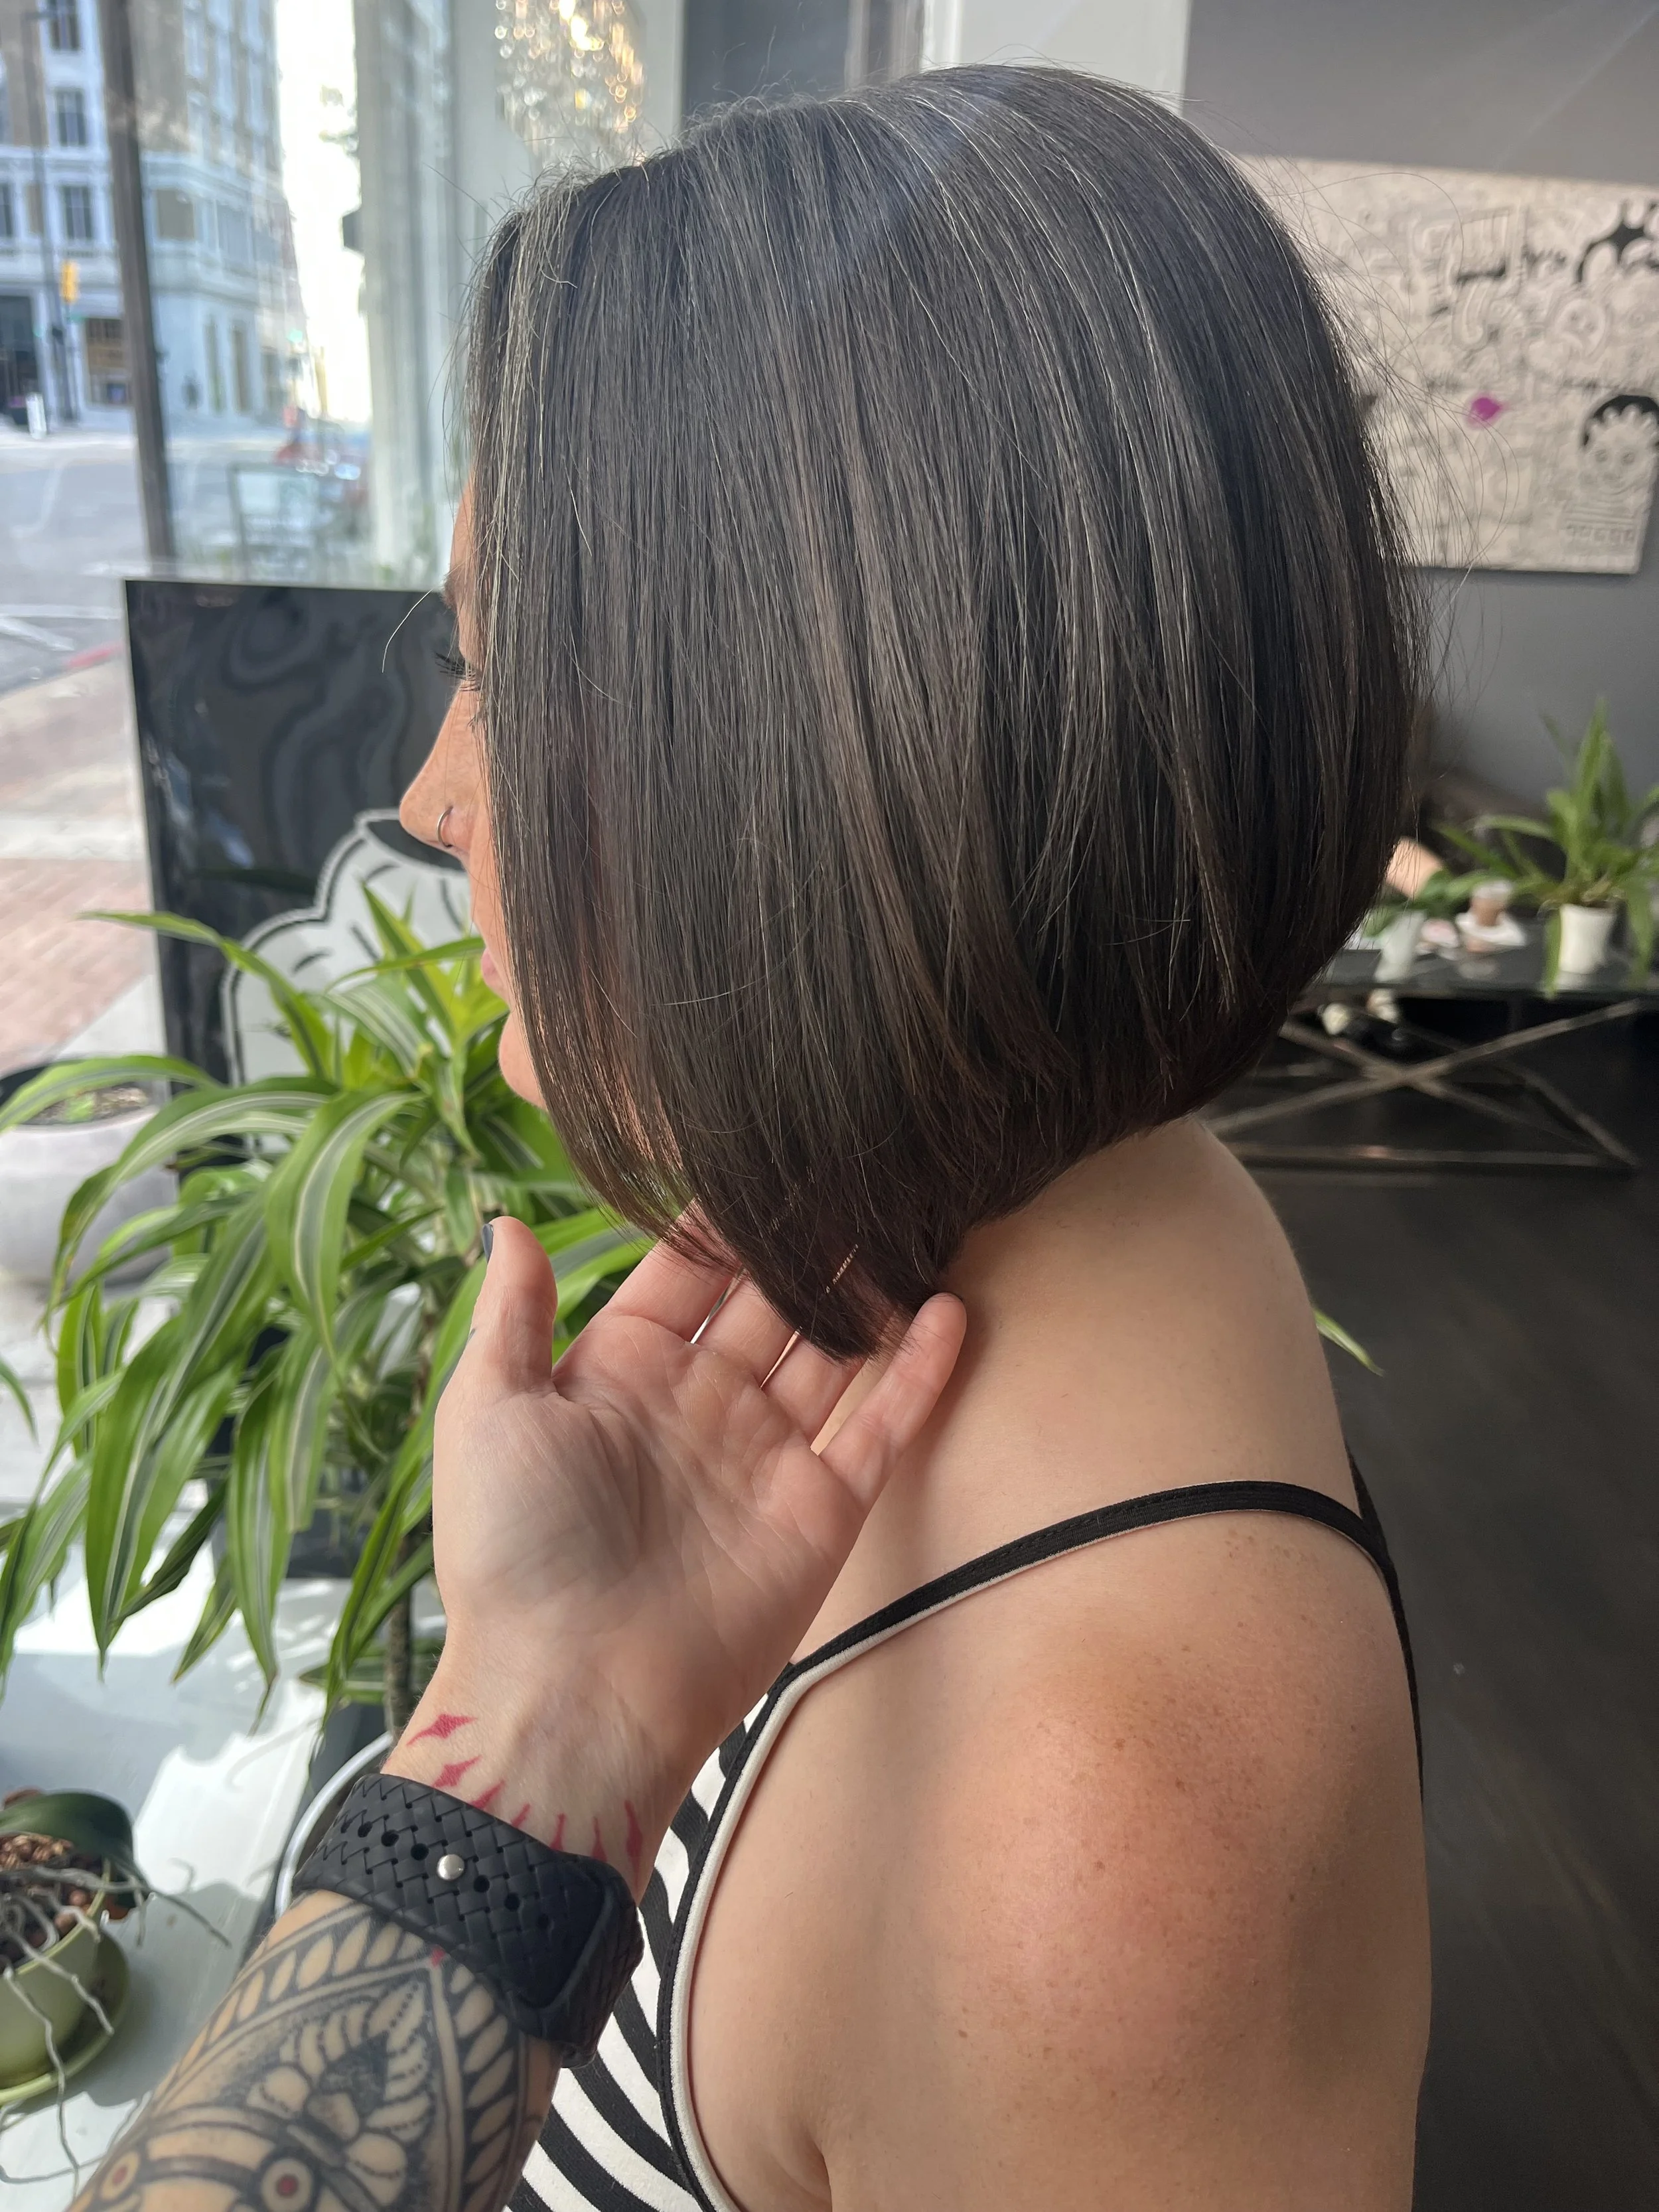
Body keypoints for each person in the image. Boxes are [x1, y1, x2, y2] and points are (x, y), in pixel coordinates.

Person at [78, 66, 1427, 2212]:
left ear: (817, 764)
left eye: (496, 672)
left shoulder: (1092, 1852)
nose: (432, 801)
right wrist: (540, 1722)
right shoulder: (1093, 1183)